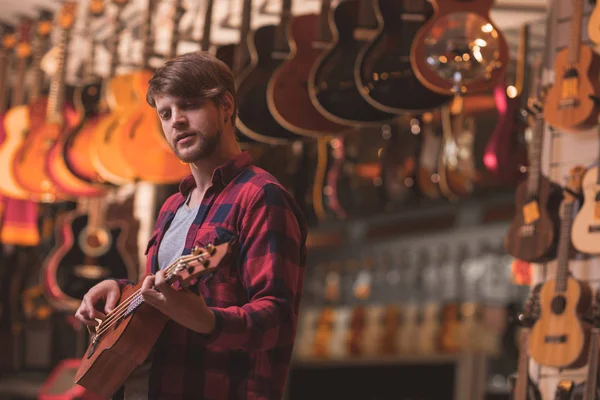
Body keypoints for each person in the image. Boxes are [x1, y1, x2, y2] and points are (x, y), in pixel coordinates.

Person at [74, 51, 308, 400]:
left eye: (189, 106)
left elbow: (277, 319)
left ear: (226, 106)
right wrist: (120, 290)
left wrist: (208, 321)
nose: (176, 121)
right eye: (165, 113)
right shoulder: (171, 207)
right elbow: (159, 303)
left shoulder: (261, 196)